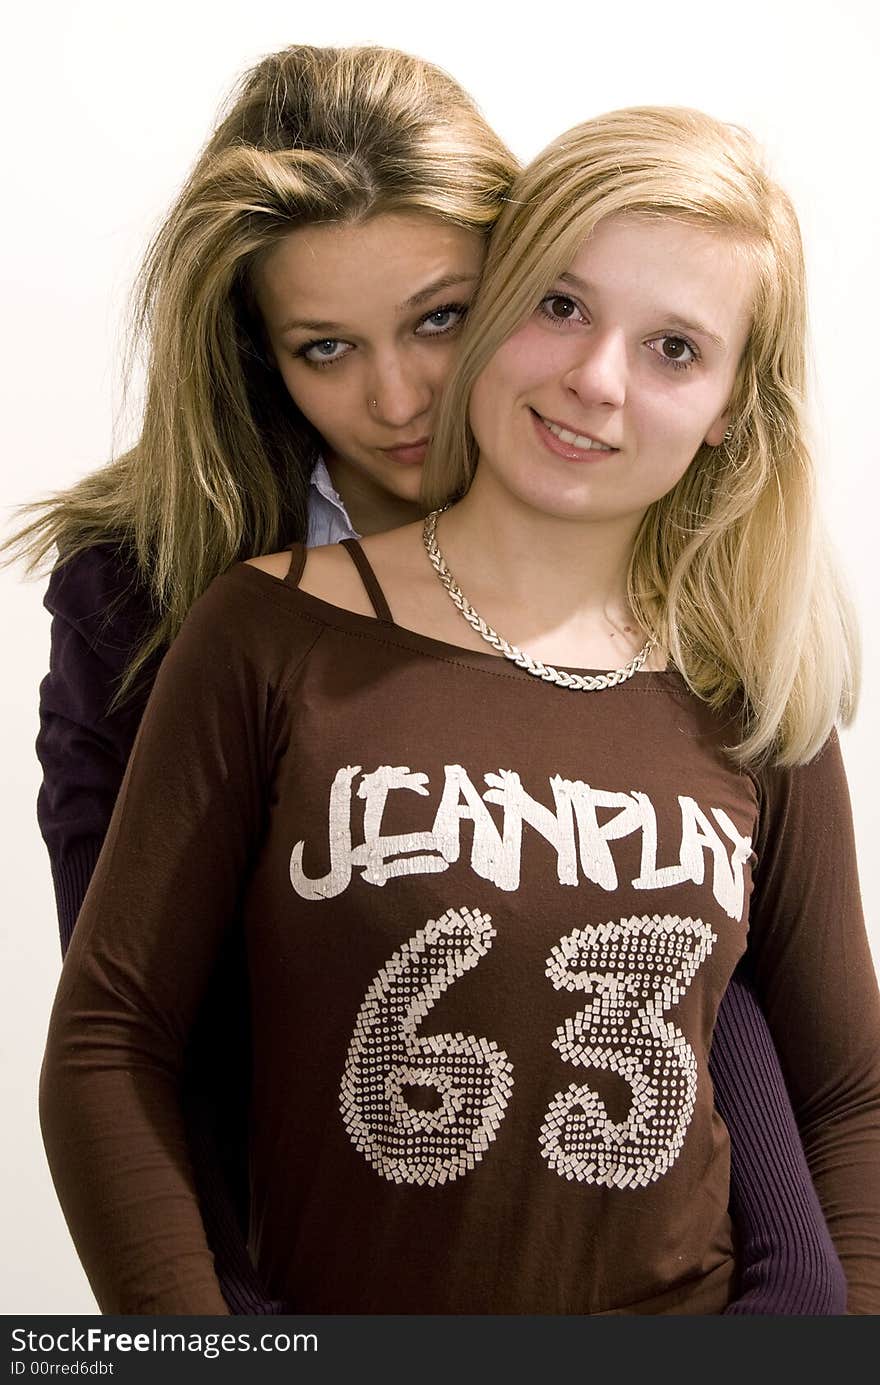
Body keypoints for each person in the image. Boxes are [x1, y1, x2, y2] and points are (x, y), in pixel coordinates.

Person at [27, 77, 858, 1311]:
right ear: (264, 356)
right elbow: (133, 1036)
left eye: (441, 318)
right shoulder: (189, 610)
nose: (401, 399)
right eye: (326, 347)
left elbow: (695, 969)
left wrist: (804, 1301)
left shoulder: (706, 634)